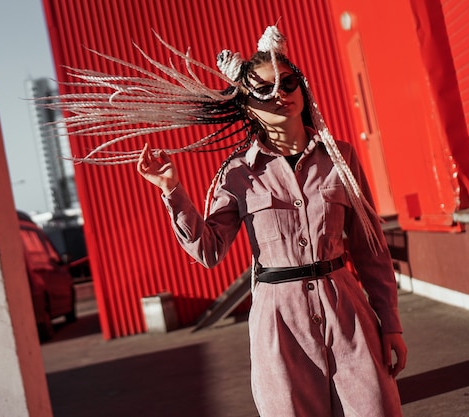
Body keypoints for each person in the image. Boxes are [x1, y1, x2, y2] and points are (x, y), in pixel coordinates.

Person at [136, 26, 407, 417]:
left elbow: (371, 248)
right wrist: (172, 190)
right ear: (247, 105)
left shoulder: (340, 157)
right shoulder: (237, 173)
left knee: (374, 408)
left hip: (348, 314)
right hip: (280, 325)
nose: (278, 94)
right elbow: (209, 251)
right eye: (262, 90)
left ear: (302, 87)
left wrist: (391, 323)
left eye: (287, 82)